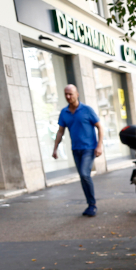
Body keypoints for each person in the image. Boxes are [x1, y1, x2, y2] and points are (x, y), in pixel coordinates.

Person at [52, 84, 104, 217]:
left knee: (85, 174)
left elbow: (100, 127)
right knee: (82, 176)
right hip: (76, 150)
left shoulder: (87, 110)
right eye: (66, 94)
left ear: (77, 94)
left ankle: (92, 205)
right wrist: (55, 149)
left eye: (70, 94)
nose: (68, 96)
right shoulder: (64, 112)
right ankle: (90, 204)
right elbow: (60, 132)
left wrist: (99, 146)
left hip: (88, 148)